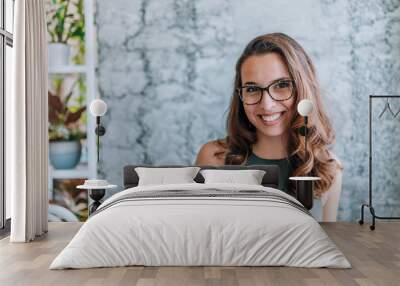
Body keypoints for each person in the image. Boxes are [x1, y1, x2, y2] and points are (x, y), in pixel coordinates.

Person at [195, 33, 343, 222]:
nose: (267, 104)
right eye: (252, 89)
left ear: (303, 88)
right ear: (240, 96)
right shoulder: (213, 158)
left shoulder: (329, 168)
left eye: (282, 85)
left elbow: (326, 245)